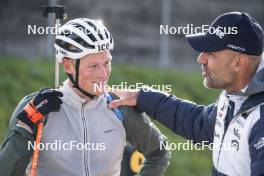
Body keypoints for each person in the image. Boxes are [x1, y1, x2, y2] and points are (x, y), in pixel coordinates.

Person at [0, 18, 171, 176]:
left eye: (106, 62)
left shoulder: (120, 107)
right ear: (68, 65)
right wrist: (25, 128)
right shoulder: (36, 108)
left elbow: (159, 152)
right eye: (93, 66)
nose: (103, 74)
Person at [108, 12, 264, 176]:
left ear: (238, 63)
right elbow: (200, 124)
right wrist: (143, 97)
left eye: (211, 53)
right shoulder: (236, 94)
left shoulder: (260, 118)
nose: (200, 59)